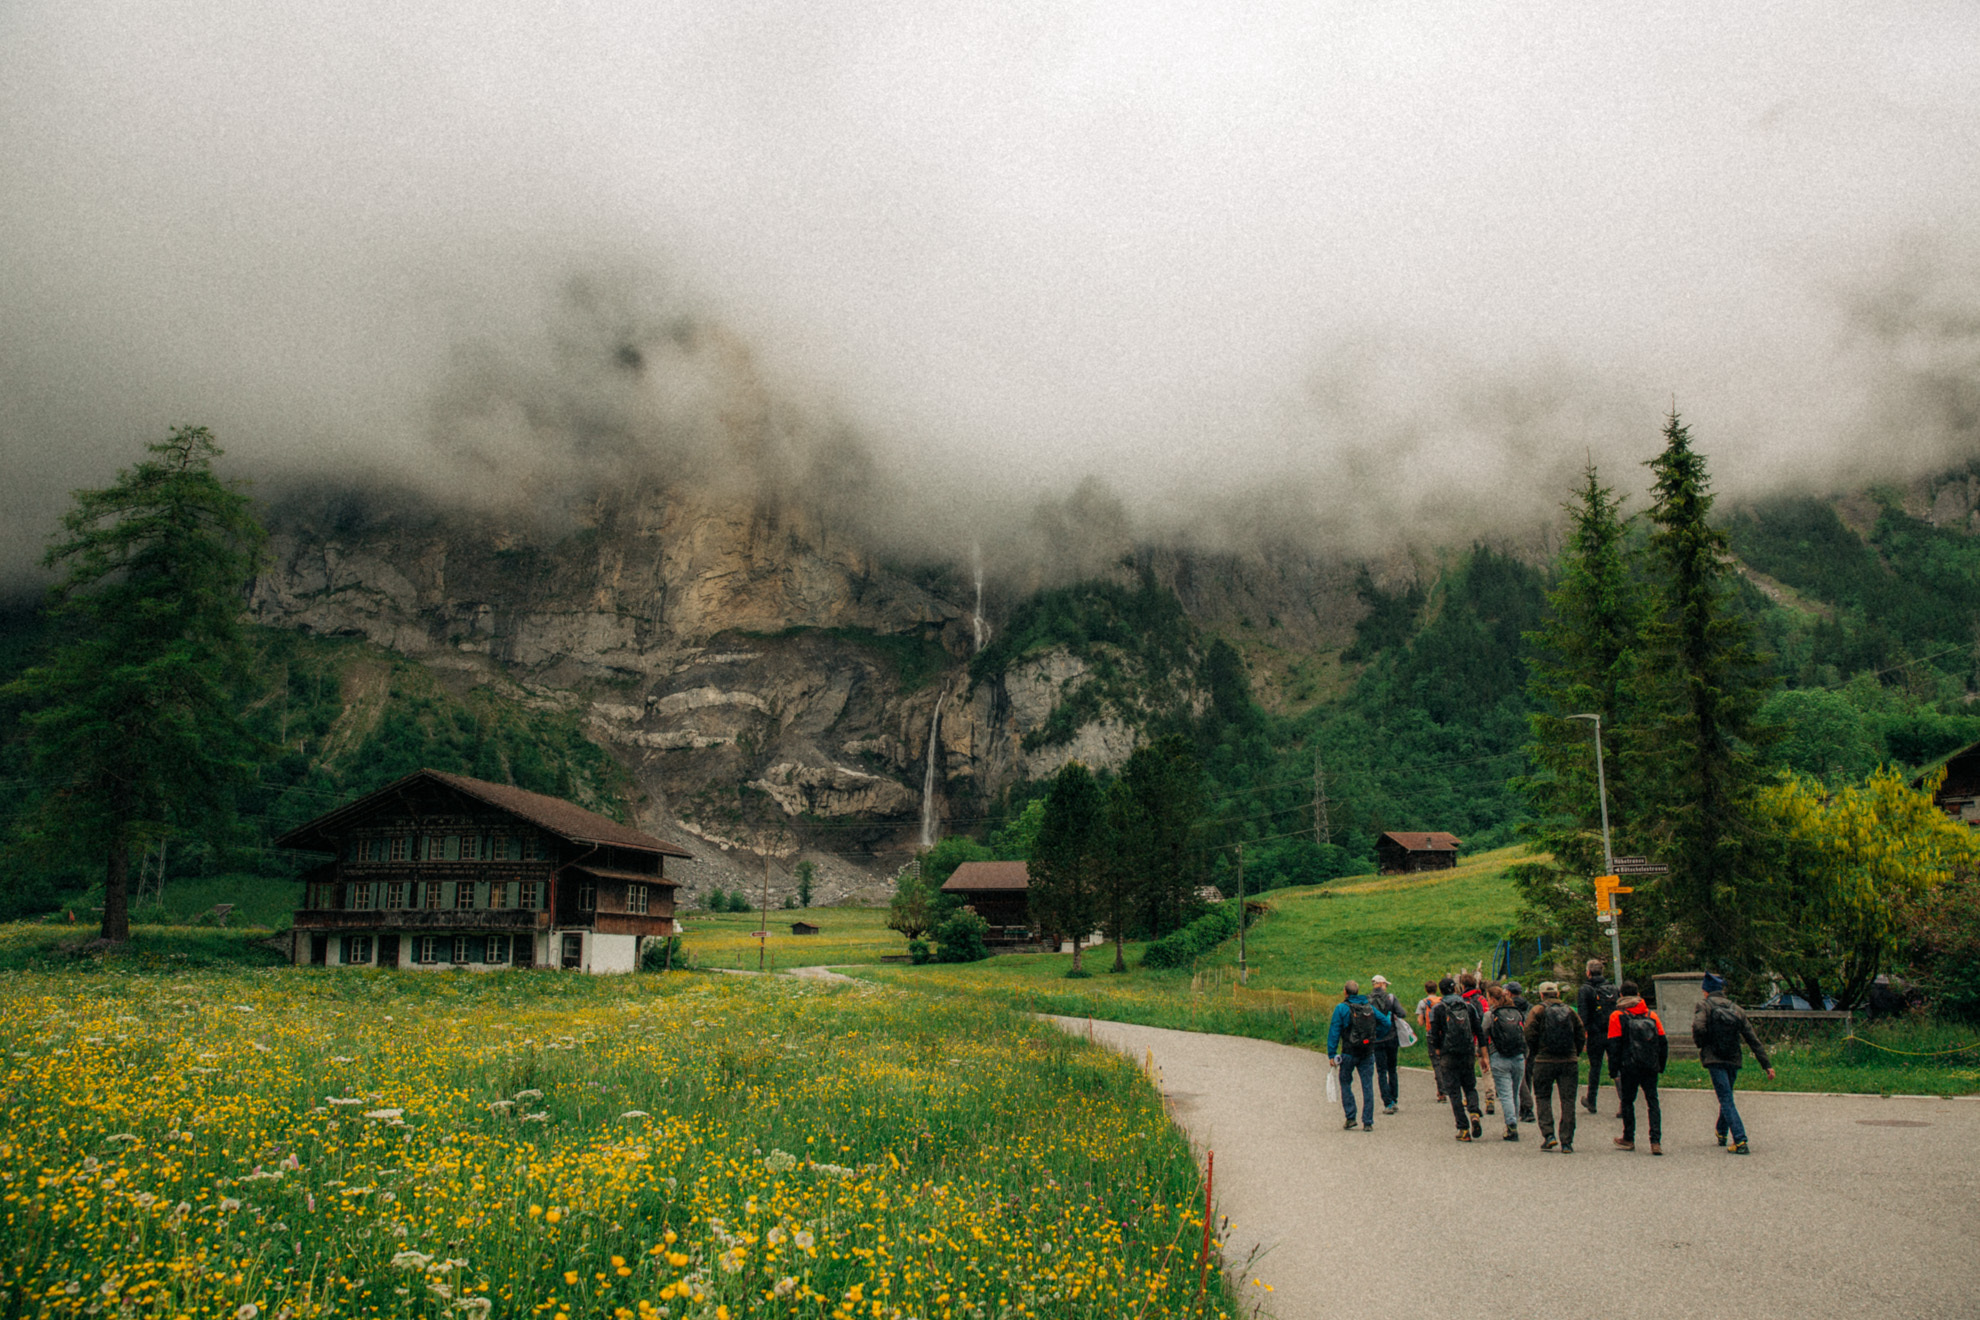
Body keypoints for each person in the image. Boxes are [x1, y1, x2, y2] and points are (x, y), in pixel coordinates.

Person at [1692, 972, 1775, 1155]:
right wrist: (1766, 1064)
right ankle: (1721, 1132)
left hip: (1715, 1059)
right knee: (1727, 1095)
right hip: (1733, 1058)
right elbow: (1752, 1039)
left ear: (1706, 991)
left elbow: (1698, 1026)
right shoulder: (1737, 1009)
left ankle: (1740, 1140)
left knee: (1726, 1098)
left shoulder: (1704, 1006)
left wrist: (1702, 1044)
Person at [1605, 980, 1667, 1155]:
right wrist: (1660, 1065)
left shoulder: (1617, 1015)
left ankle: (1628, 1138)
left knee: (1627, 1101)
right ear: (1638, 995)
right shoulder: (1651, 1015)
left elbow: (1614, 1045)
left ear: (1621, 995)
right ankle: (1655, 1141)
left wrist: (1613, 1069)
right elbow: (1663, 1042)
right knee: (1652, 1101)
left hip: (1629, 1065)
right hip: (1650, 1065)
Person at [1524, 981, 1586, 1152]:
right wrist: (1575, 1052)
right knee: (1568, 1100)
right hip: (1568, 1061)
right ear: (1558, 994)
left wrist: (1536, 1051)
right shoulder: (1570, 1011)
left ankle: (1549, 1135)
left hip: (1544, 1061)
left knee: (1543, 1097)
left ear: (1541, 995)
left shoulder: (1537, 1010)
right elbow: (1581, 1033)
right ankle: (1567, 1141)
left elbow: (1529, 1032)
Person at [1327, 979, 1390, 1131]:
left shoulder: (1341, 1008)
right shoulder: (1368, 1007)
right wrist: (1375, 1036)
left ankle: (1350, 1117)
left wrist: (1332, 1053)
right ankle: (1367, 1121)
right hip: (1367, 1051)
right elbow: (1386, 1023)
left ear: (1345, 992)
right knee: (1367, 1085)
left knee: (1345, 1082)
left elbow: (1334, 1031)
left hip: (1349, 1051)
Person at [1431, 976, 1486, 1141]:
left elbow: (1434, 1033)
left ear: (1441, 991)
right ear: (1456, 989)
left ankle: (1463, 1128)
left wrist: (1438, 1050)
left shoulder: (1438, 1008)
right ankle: (1474, 1112)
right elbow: (1478, 1030)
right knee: (1470, 1086)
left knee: (1454, 1092)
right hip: (1467, 1052)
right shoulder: (1468, 1007)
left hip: (1449, 1053)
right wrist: (1482, 1053)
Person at [1483, 984, 1528, 1142]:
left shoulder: (1490, 1015)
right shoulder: (1517, 1013)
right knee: (1515, 1092)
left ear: (1492, 999)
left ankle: (1511, 1124)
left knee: (1505, 1094)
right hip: (1518, 1057)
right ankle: (1514, 1122)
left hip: (1499, 1056)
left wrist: (1483, 1056)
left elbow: (1483, 1035)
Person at [1577, 959, 1619, 1115]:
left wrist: (1584, 1034)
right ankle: (1624, 1101)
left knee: (1595, 1067)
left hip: (1595, 1033)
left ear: (1588, 972)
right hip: (1613, 1032)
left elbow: (1583, 1015)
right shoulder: (1613, 988)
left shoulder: (1585, 989)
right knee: (1616, 1067)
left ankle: (1592, 1100)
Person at [1367, 974, 1406, 1114]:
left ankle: (1387, 1102)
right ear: (1382, 984)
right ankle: (1394, 1099)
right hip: (1391, 1037)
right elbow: (1402, 1013)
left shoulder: (1367, 1000)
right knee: (1392, 1069)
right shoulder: (1391, 998)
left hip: (1376, 1039)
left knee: (1381, 1071)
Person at [1459, 970, 1495, 1114]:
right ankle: (1490, 1097)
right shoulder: (1482, 1000)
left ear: (1462, 986)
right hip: (1481, 1039)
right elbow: (1487, 1018)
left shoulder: (1460, 1001)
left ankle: (1467, 1097)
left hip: (1466, 1040)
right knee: (1486, 1069)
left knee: (1467, 1069)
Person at [1504, 980, 1536, 1123]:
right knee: (1527, 1074)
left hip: (1514, 1043)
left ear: (1509, 993)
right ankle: (1525, 1107)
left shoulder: (1508, 1007)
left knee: (1517, 1078)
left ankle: (1526, 1107)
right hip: (1529, 1043)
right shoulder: (1530, 1007)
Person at [1417, 981, 1444, 1101]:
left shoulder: (1423, 1003)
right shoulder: (1442, 1001)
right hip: (1444, 1034)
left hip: (1431, 1035)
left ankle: (1441, 1092)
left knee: (1436, 1063)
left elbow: (1420, 1022)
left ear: (1425, 989)